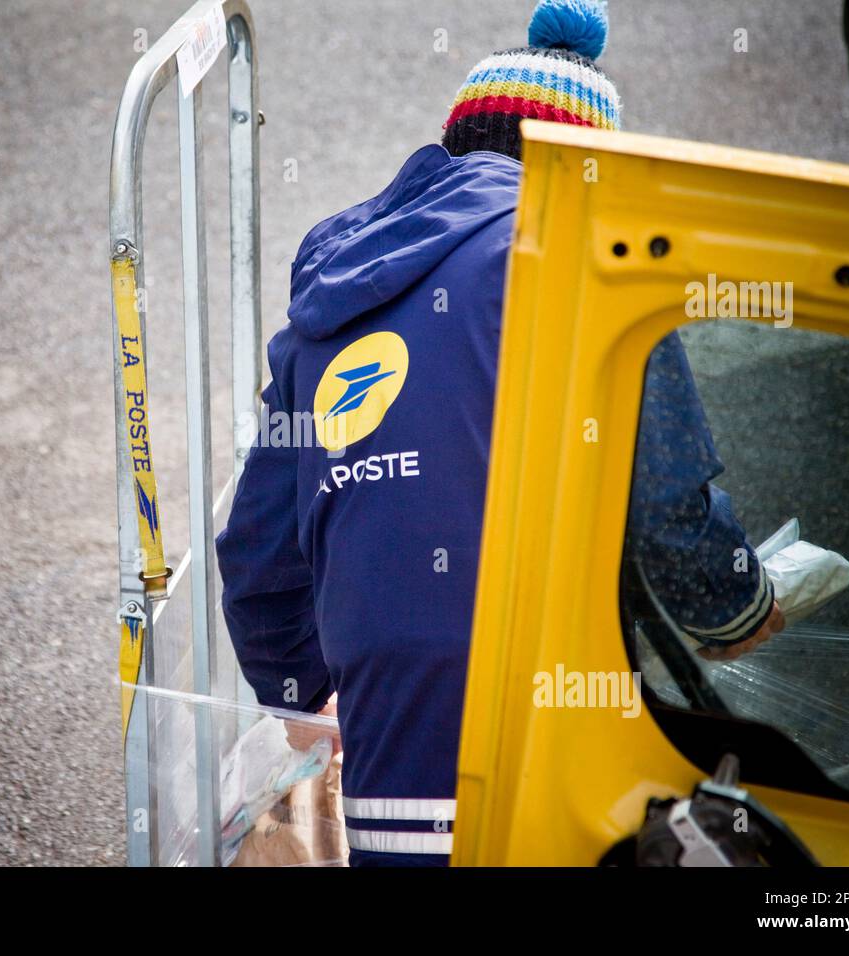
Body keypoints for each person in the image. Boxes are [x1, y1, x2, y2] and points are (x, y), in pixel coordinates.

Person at [215, 0, 782, 867]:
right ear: (590, 164)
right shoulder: (589, 252)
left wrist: (298, 693)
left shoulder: (333, 290)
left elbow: (257, 553)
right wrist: (742, 603)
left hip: (388, 768)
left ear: (457, 141)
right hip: (539, 749)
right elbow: (667, 507)